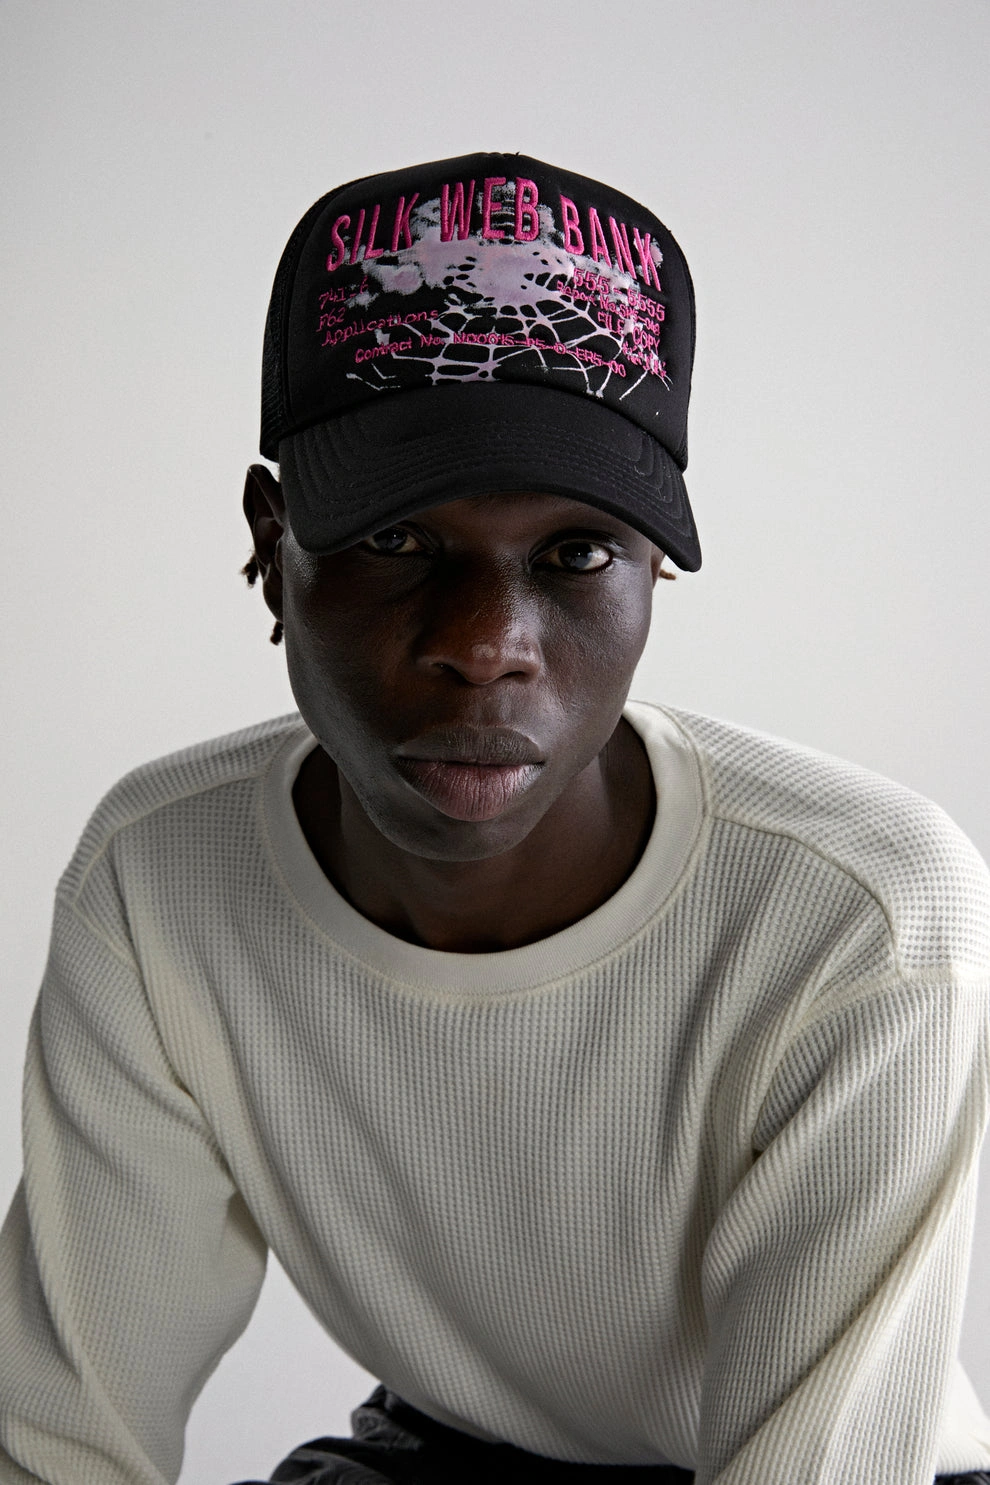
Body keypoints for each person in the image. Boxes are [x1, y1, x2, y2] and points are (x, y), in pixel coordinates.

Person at [1, 151, 989, 1485]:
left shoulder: (856, 908)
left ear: (653, 572)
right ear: (272, 548)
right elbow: (59, 1441)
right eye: (398, 540)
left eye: (576, 553)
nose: (484, 646)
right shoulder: (162, 877)